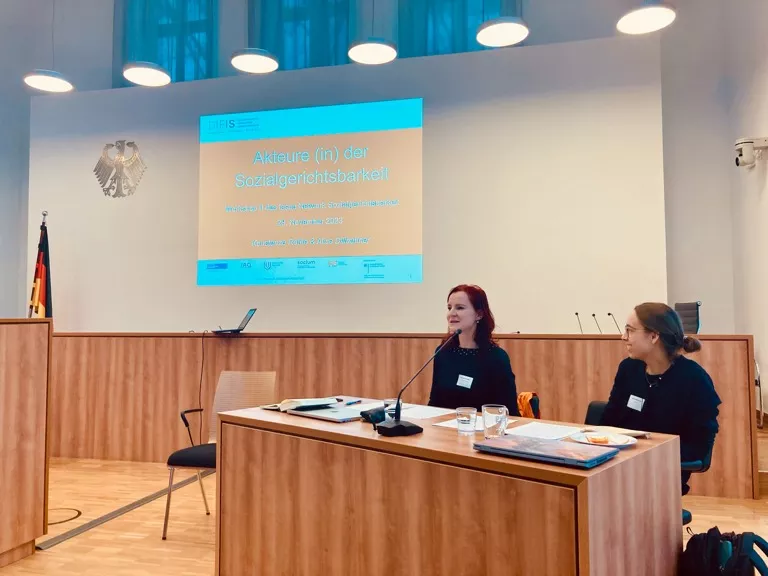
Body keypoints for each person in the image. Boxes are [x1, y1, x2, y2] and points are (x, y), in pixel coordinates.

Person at [601, 302, 721, 495]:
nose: (624, 337)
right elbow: (609, 421)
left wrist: (648, 455)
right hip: (620, 466)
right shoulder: (628, 369)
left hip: (663, 473)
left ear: (654, 336)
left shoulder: (695, 379)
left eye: (630, 330)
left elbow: (699, 446)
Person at [428, 284, 520, 415]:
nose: (451, 313)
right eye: (449, 308)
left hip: (484, 427)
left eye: (460, 308)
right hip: (444, 426)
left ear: (479, 314)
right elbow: (434, 402)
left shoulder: (496, 358)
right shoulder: (443, 353)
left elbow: (509, 411)